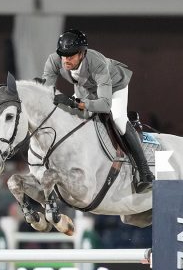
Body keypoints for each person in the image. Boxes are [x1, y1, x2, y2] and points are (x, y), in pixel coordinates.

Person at [40, 29, 154, 193]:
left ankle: (145, 173)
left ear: (82, 54)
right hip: (85, 88)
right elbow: (46, 92)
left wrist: (74, 103)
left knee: (119, 119)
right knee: (74, 118)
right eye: (63, 55)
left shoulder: (97, 62)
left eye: (71, 55)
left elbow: (105, 105)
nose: (66, 59)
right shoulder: (54, 60)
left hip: (114, 86)